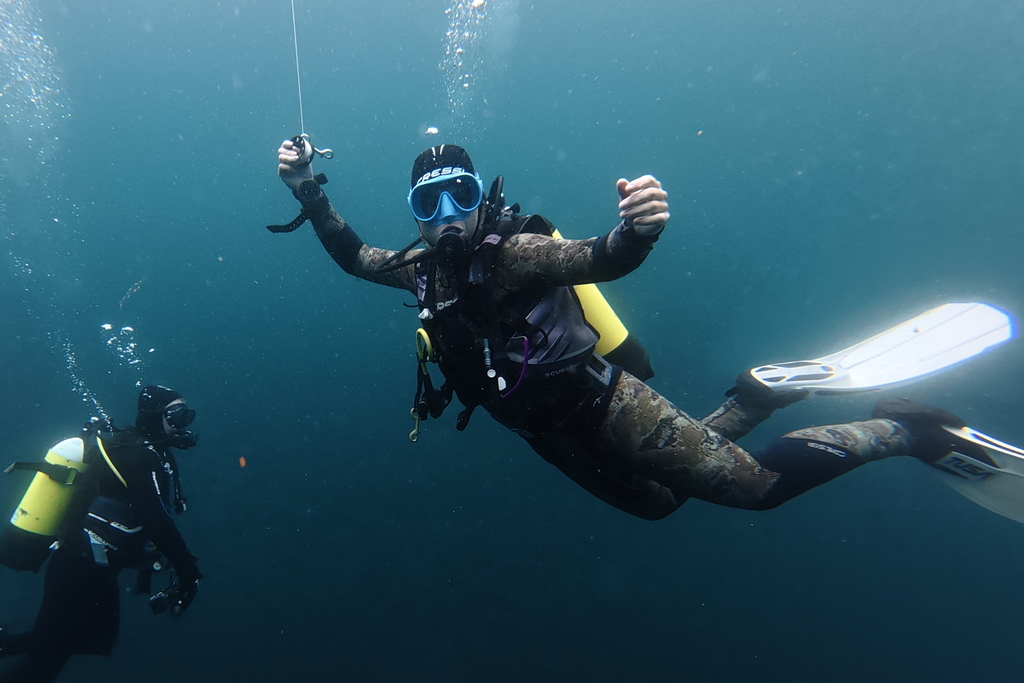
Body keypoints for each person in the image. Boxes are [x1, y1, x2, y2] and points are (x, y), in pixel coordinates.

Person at [269, 139, 998, 520]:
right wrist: (308, 190)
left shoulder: (516, 252)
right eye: (430, 204)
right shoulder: (419, 269)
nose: (449, 216)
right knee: (658, 505)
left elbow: (596, 258)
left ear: (478, 195)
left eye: (461, 194)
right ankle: (756, 394)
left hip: (604, 404)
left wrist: (637, 230)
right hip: (546, 434)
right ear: (418, 215)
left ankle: (906, 431)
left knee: (760, 489)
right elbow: (352, 255)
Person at [0, 385, 203, 683]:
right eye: (175, 414)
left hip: (96, 569)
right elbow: (157, 520)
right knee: (45, 659)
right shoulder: (139, 456)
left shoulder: (137, 447)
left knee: (96, 641)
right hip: (77, 566)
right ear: (153, 415)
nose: (182, 422)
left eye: (185, 414)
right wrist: (188, 572)